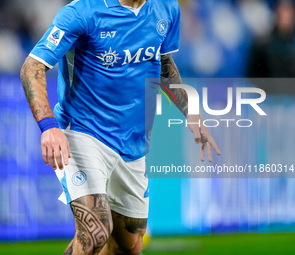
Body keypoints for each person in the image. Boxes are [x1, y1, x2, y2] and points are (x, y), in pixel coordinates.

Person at [20, 0, 220, 254]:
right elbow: (32, 66)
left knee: (129, 246)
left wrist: (191, 112)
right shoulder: (83, 11)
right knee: (95, 232)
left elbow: (164, 63)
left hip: (133, 143)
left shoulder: (167, 8)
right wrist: (48, 126)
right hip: (83, 131)